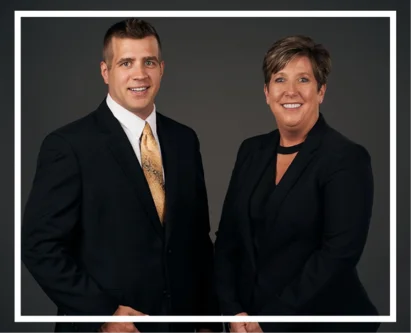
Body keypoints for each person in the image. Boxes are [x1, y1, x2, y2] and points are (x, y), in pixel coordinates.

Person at [22, 18, 219, 333]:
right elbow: (38, 246)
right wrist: (102, 314)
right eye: (126, 62)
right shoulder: (69, 146)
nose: (139, 74)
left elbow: (197, 239)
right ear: (105, 71)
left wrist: (209, 320)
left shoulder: (184, 139)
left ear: (161, 69)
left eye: (148, 62)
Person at [214, 35, 380, 333]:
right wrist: (232, 312)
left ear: (321, 91)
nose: (290, 91)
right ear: (267, 92)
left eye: (303, 79)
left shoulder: (345, 158)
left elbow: (338, 255)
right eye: (280, 79)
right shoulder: (251, 150)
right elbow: (228, 239)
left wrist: (269, 321)